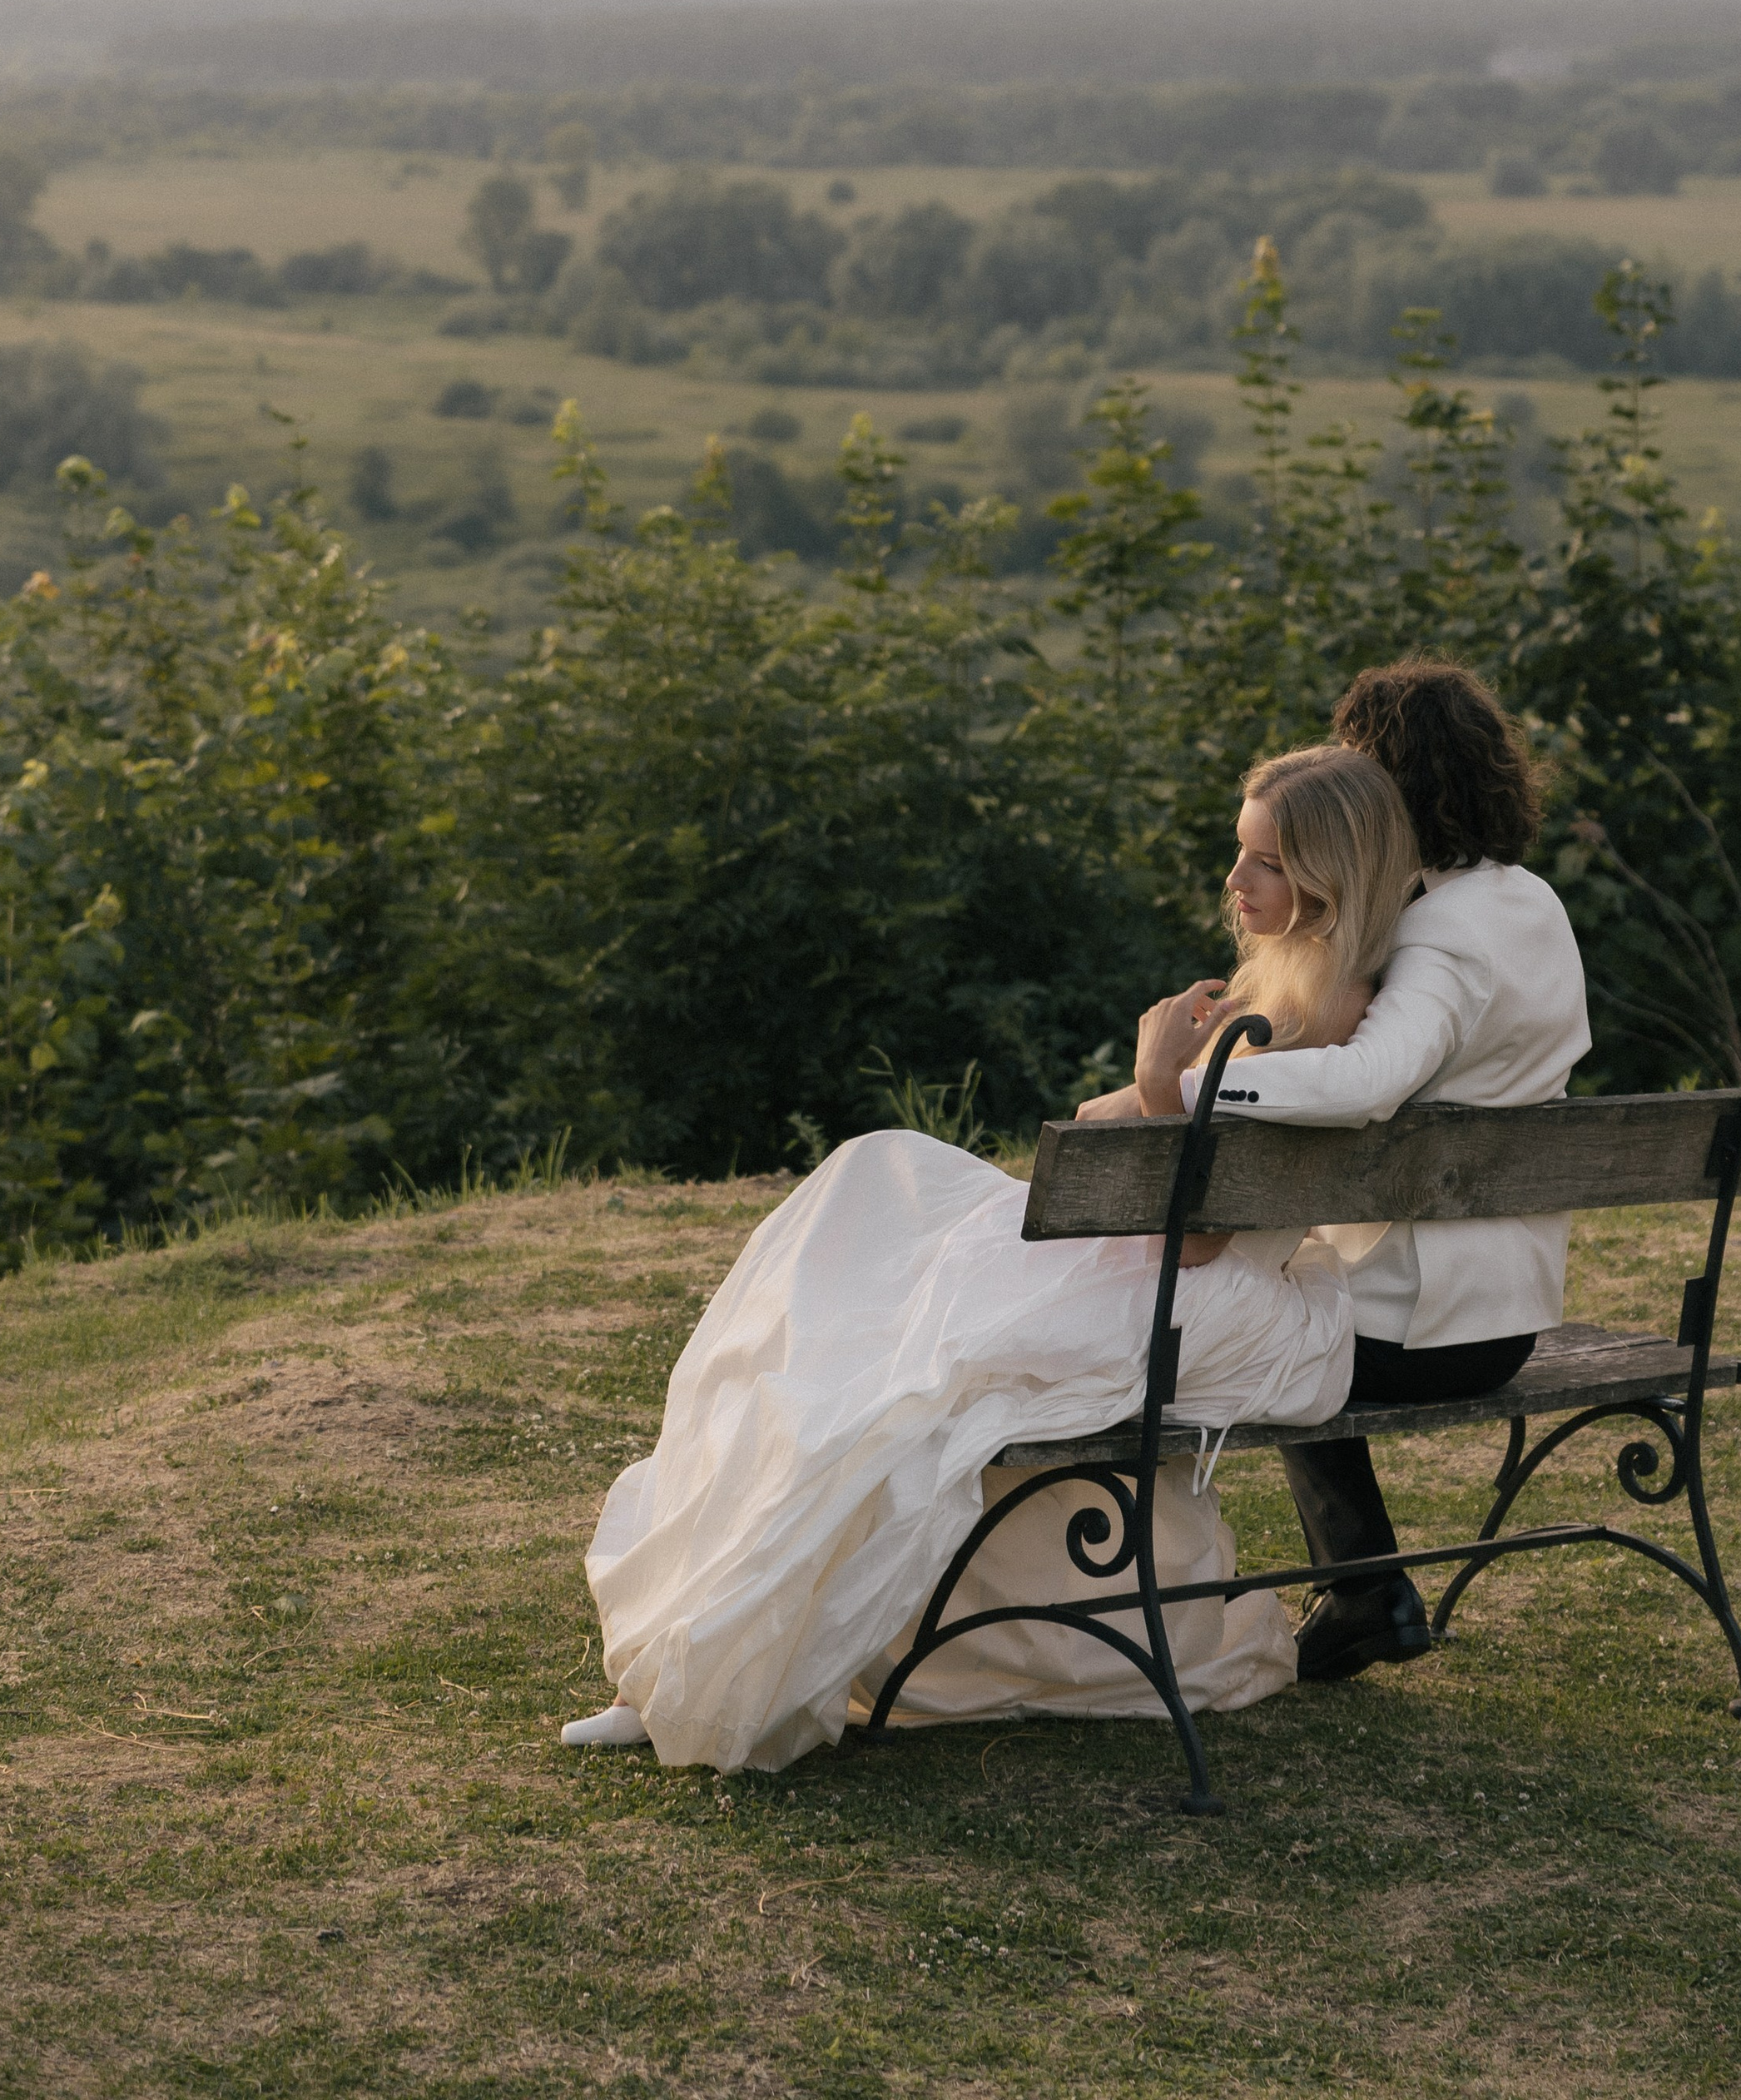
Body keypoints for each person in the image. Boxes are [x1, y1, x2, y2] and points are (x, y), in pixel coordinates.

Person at [561, 744, 1421, 1775]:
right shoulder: (1284, 986)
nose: (1235, 884)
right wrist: (1143, 1100)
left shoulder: (1323, 1023)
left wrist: (1154, 1082)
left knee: (892, 1381)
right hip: (1148, 1262)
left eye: (1268, 865)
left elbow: (1197, 1235)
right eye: (1240, 854)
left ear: (1335, 877)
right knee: (862, 1222)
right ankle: (675, 1662)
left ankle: (699, 1668)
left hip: (1195, 1289)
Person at [1121, 658, 1591, 1685]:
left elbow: (1372, 1079)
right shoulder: (1532, 903)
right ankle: (1363, 1588)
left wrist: (1195, 1087)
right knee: (1282, 1296)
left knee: (1250, 1323)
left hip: (1422, 1327)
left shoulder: (1439, 932)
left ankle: (1364, 1589)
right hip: (1508, 1310)